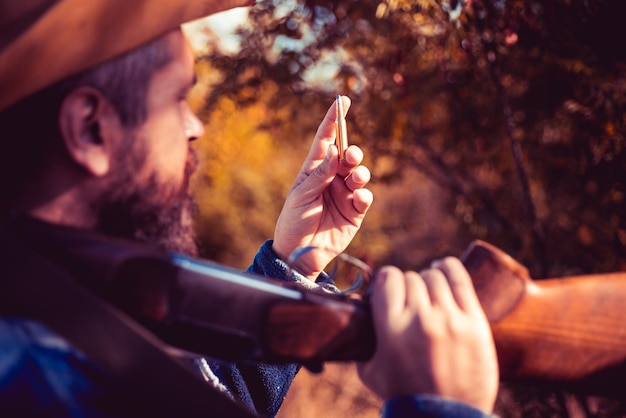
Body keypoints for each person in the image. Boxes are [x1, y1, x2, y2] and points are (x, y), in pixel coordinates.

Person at [0, 0, 499, 417]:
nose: (195, 127)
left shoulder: (61, 299)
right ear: (91, 129)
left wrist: (294, 263)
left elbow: (207, 396)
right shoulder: (37, 379)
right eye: (178, 97)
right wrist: (440, 408)